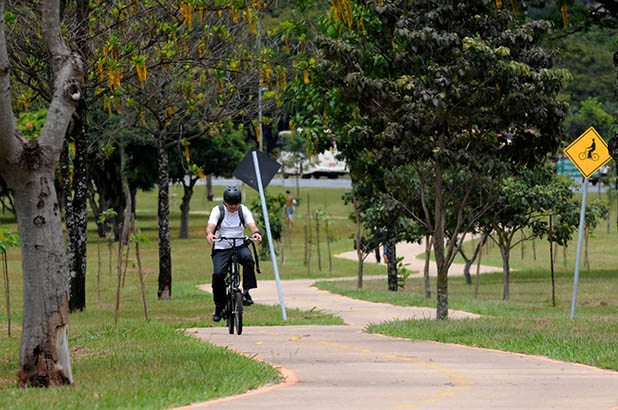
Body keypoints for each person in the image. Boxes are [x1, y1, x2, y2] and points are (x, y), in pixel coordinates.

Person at [206, 185, 262, 322]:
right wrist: (210, 234)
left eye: (236, 203)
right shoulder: (218, 211)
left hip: (239, 244)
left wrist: (256, 233)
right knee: (219, 274)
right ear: (225, 201)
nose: (233, 206)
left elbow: (252, 225)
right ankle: (219, 305)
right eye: (230, 203)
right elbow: (210, 226)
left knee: (248, 259)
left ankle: (246, 292)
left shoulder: (243, 210)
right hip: (222, 247)